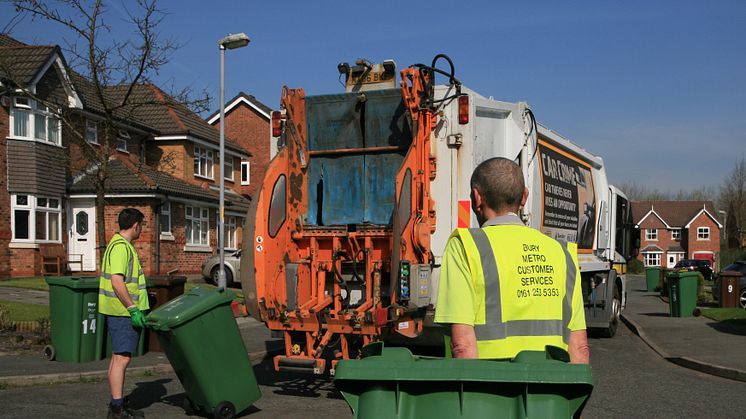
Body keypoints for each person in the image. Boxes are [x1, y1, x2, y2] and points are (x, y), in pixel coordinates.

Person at [434, 158, 589, 363]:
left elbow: (463, 346)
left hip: (492, 388)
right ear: (524, 197)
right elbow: (579, 347)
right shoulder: (562, 253)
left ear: (476, 197)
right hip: (552, 389)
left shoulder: (465, 246)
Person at [99, 208, 149, 418]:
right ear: (136, 225)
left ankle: (116, 403)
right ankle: (117, 409)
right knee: (122, 359)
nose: (142, 229)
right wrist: (133, 308)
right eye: (142, 225)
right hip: (123, 313)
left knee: (117, 358)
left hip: (118, 311)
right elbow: (117, 282)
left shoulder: (119, 245)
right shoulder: (121, 248)